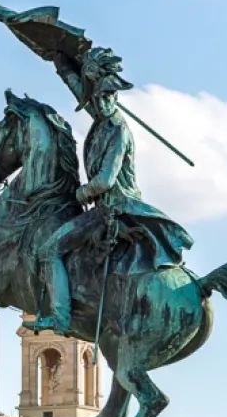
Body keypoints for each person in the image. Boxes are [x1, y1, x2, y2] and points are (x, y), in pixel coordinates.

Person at [30, 48, 194, 334]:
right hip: (106, 208)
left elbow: (105, 180)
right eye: (98, 98)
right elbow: (78, 90)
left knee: (50, 250)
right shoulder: (102, 118)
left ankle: (61, 317)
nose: (102, 103)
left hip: (116, 208)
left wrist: (80, 194)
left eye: (108, 97)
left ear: (115, 97)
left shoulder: (118, 129)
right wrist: (59, 59)